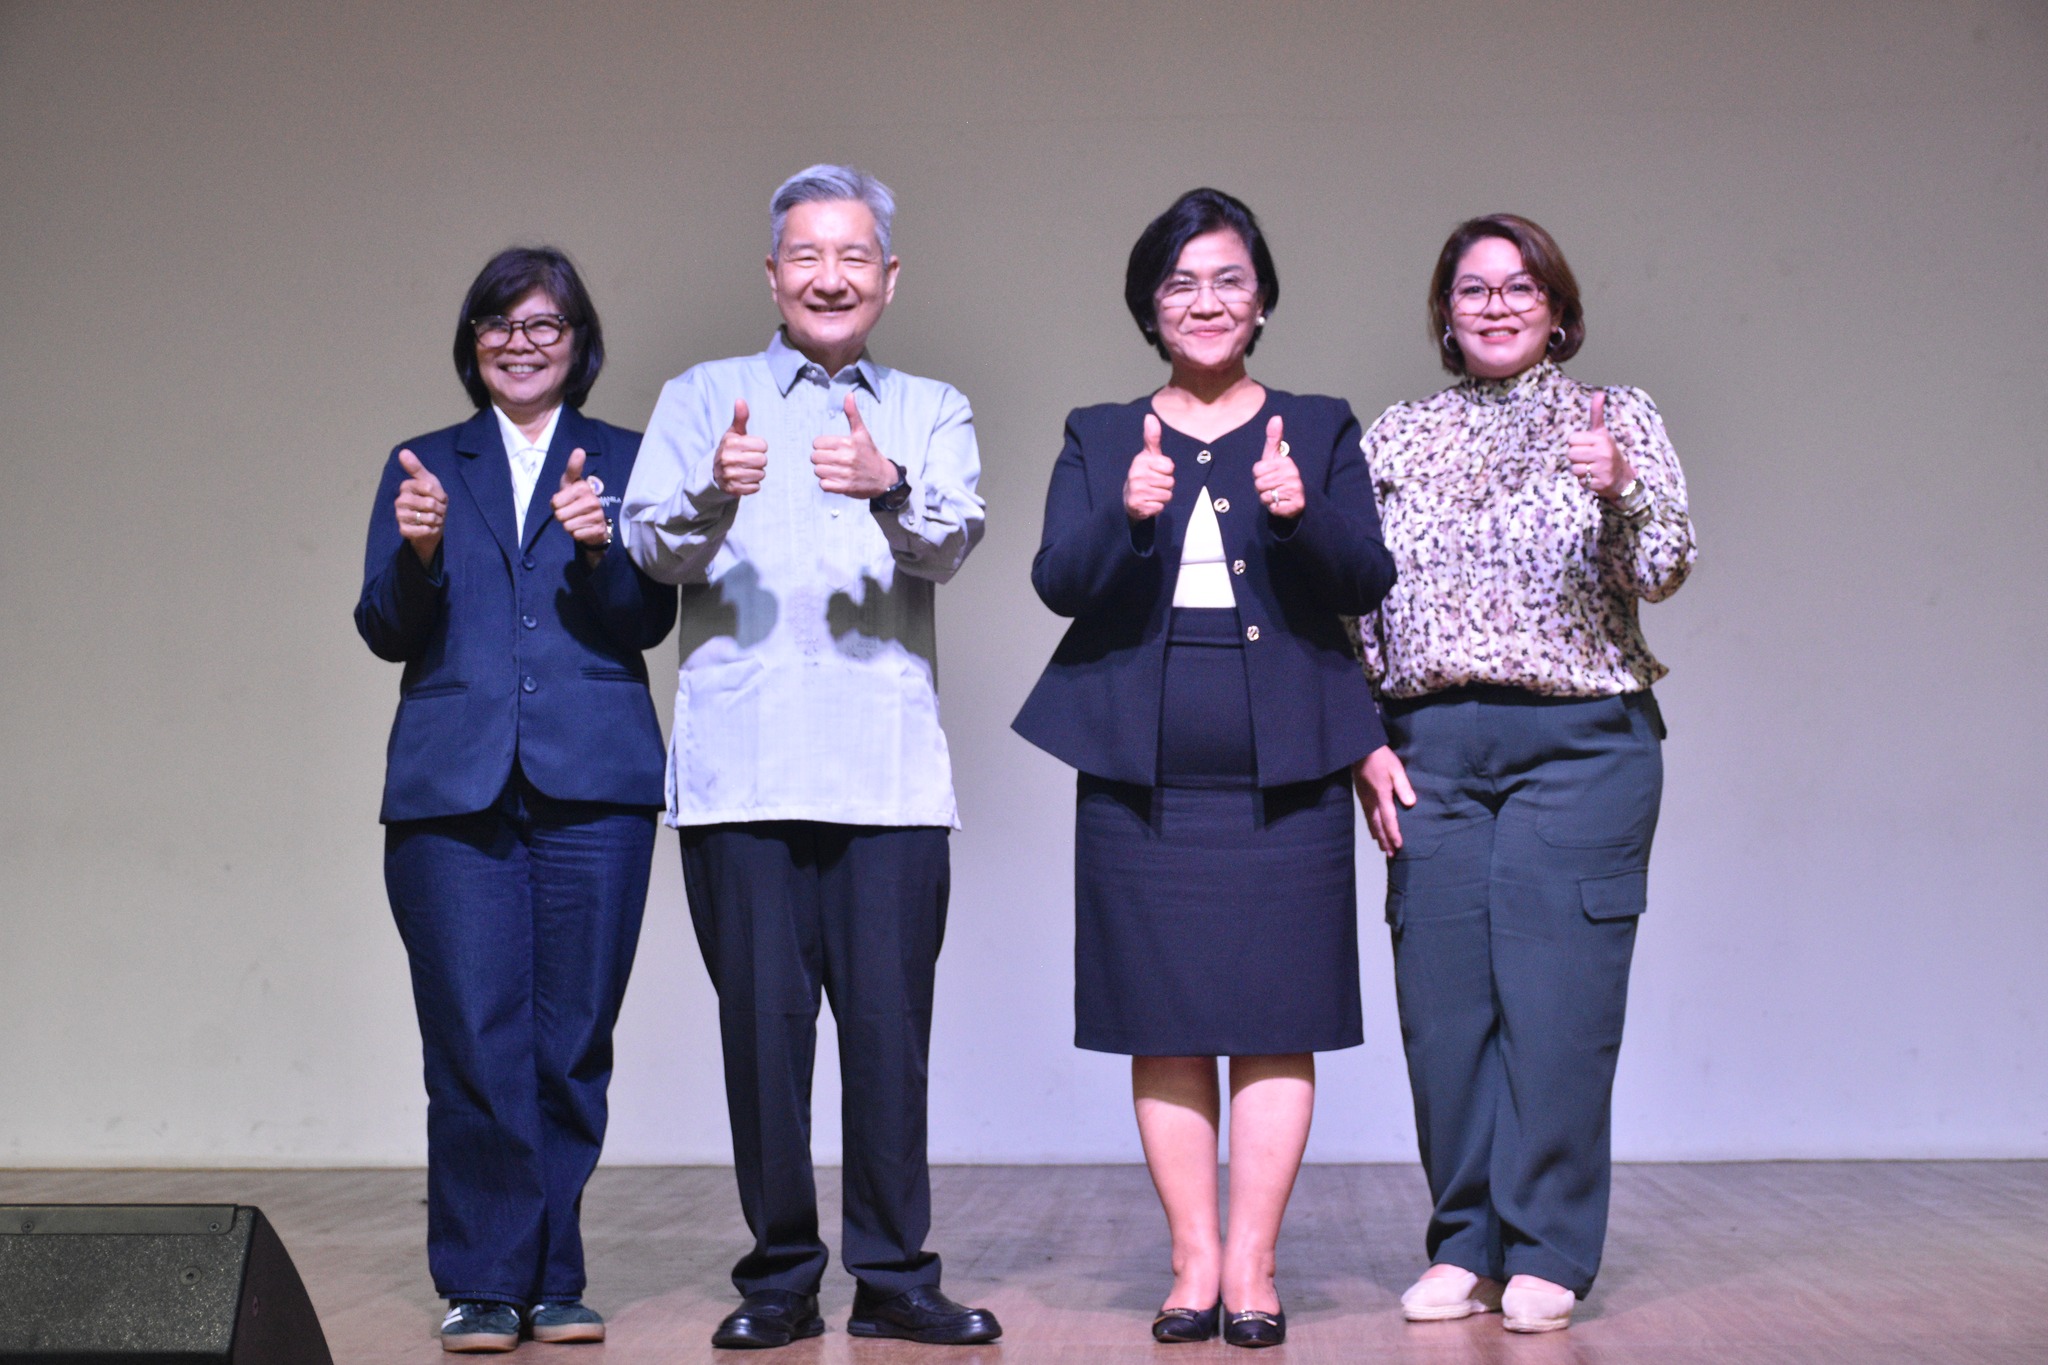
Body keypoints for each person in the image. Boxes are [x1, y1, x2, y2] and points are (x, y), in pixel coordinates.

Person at [620, 165, 998, 1350]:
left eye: (852, 256)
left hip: (887, 780)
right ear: (772, 274)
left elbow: (951, 544)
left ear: (888, 278)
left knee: (890, 1046)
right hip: (740, 778)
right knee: (762, 1046)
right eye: (805, 255)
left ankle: (894, 1278)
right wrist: (710, 494)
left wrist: (888, 488)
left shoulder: (929, 408)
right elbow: (648, 551)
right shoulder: (702, 396)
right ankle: (778, 1280)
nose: (828, 276)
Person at [1012, 188, 1396, 1349]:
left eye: (1228, 280)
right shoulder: (1099, 432)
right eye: (1179, 284)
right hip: (1139, 774)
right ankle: (1190, 1263)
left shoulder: (1318, 425)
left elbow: (1364, 579)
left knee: (1278, 1019)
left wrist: (1297, 511)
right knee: (1163, 1022)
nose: (1206, 301)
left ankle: (1252, 1265)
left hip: (1288, 774)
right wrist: (1127, 515)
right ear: (1149, 307)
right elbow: (1057, 581)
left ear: (1262, 299)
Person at [1353, 214, 1697, 1333]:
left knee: (1557, 1009)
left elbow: (1662, 567)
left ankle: (1547, 1247)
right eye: (1472, 289)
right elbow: (1351, 599)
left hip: (1580, 747)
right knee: (1443, 1012)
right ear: (1444, 313)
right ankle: (1464, 1243)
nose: (1495, 306)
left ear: (1557, 310)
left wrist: (1620, 487)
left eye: (1519, 287)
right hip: (1430, 749)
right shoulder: (1397, 434)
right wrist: (1361, 737)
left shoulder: (1613, 416)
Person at [354, 247, 677, 1353]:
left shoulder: (628, 458)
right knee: (472, 1038)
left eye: (544, 325)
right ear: (472, 343)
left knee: (571, 1040)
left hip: (597, 784)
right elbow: (384, 628)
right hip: (451, 791)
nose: (520, 343)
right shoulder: (423, 464)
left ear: (579, 344)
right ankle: (485, 1281)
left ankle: (556, 1276)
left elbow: (646, 623)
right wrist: (419, 552)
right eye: (499, 324)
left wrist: (600, 549)